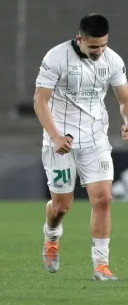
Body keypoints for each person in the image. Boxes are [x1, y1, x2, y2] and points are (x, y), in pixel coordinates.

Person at [34, 14, 128, 280]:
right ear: (80, 39)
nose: (99, 51)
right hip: (61, 141)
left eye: (103, 45)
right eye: (93, 47)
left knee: (104, 199)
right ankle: (51, 236)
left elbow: (124, 99)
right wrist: (55, 137)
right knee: (61, 206)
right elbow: (40, 101)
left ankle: (101, 264)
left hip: (96, 140)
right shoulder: (56, 57)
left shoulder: (113, 60)